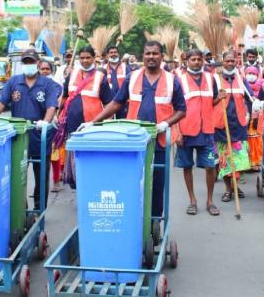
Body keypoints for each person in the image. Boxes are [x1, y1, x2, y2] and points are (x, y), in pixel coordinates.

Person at [79, 41, 186, 217]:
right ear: (143, 55)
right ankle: (133, 218)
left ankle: (154, 221)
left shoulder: (171, 80)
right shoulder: (133, 77)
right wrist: (94, 122)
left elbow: (182, 110)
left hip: (158, 141)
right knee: (132, 182)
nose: (151, 57)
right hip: (134, 139)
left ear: (162, 56)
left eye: (155, 53)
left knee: (157, 183)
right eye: (148, 53)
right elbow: (116, 103)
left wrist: (165, 124)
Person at [0, 49, 59, 210]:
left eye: (31, 62)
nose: (28, 65)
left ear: (38, 63)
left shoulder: (47, 84)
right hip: (19, 138)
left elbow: (52, 106)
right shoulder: (14, 82)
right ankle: (21, 212)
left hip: (40, 137)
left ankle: (39, 210)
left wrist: (45, 122)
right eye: (25, 62)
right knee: (18, 178)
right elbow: (1, 103)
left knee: (41, 178)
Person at [175, 49, 224, 216]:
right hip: (185, 130)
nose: (196, 62)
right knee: (187, 166)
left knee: (210, 166)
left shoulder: (211, 78)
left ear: (203, 60)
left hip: (207, 130)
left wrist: (220, 98)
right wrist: (177, 131)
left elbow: (212, 101)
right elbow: (173, 108)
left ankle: (210, 201)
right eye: (193, 59)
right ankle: (192, 200)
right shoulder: (179, 80)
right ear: (187, 61)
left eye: (199, 59)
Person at [58, 46, 113, 188]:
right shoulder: (71, 74)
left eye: (88, 57)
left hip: (92, 127)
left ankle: (92, 188)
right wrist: (58, 116)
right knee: (75, 161)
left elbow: (109, 104)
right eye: (82, 58)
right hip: (72, 125)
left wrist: (106, 124)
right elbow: (64, 97)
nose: (85, 60)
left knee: (91, 160)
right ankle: (80, 192)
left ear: (94, 58)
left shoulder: (101, 76)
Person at [213, 51, 262, 202]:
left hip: (239, 124)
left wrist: (256, 102)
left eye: (232, 61)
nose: (230, 63)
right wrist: (217, 98)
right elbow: (209, 102)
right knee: (226, 160)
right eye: (227, 61)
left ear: (236, 62)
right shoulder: (215, 79)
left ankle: (235, 186)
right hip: (222, 126)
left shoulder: (241, 79)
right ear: (223, 61)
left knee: (240, 160)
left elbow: (249, 96)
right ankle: (229, 190)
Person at [38, 60, 64, 192]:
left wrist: (54, 117)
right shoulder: (34, 85)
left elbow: (59, 103)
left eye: (47, 69)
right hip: (37, 124)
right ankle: (40, 188)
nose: (45, 71)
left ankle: (56, 182)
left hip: (52, 123)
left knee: (53, 153)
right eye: (42, 69)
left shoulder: (57, 86)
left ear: (51, 70)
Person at [244, 66, 264, 171]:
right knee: (247, 141)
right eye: (249, 73)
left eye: (253, 74)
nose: (251, 76)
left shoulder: (262, 85)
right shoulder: (243, 86)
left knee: (257, 140)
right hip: (246, 116)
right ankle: (247, 164)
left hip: (257, 117)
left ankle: (256, 163)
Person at [104, 45, 131, 119]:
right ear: (107, 55)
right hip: (109, 104)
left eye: (115, 52)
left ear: (118, 54)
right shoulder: (103, 68)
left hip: (124, 103)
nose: (113, 54)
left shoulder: (126, 67)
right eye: (111, 52)